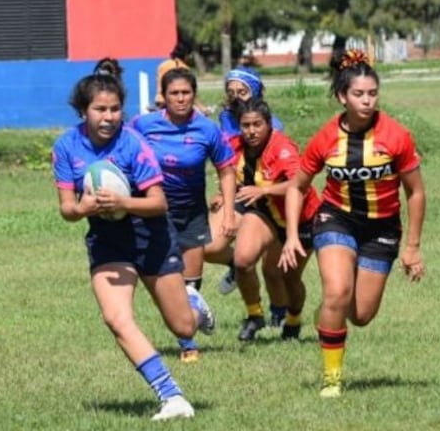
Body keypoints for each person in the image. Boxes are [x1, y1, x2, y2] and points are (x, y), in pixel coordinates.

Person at [51, 57, 215, 422]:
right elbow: (66, 209)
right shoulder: (66, 147)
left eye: (114, 109)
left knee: (184, 327)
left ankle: (192, 302)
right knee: (116, 317)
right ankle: (171, 397)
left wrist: (123, 202)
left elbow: (159, 203)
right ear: (83, 110)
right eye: (100, 110)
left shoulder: (133, 143)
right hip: (108, 240)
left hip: (150, 234)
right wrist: (84, 207)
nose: (109, 117)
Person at [280, 48, 427, 398]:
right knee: (337, 290)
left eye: (372, 93)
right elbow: (296, 188)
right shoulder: (326, 138)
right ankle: (332, 379)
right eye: (359, 94)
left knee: (360, 314)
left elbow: (416, 193)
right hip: (336, 219)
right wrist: (290, 237)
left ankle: (329, 310)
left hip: (382, 228)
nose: (367, 101)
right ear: (342, 96)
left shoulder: (397, 136)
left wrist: (413, 247)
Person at [132, 67, 237, 363]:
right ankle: (188, 342)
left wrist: (229, 214)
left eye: (186, 93)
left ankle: (190, 328)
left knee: (189, 285)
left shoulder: (207, 129)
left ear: (195, 95)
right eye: (174, 94)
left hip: (192, 212)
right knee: (167, 280)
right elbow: (123, 151)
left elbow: (226, 171)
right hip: (154, 212)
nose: (180, 99)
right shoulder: (142, 125)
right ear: (163, 97)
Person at [224, 98, 320, 342]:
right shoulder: (235, 146)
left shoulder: (282, 147)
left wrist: (264, 191)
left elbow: (300, 184)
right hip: (266, 214)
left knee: (288, 276)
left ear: (269, 124)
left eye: (257, 124)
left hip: (302, 219)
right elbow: (226, 174)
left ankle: (294, 319)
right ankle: (254, 315)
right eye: (246, 125)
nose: (252, 131)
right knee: (243, 260)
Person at [214, 66, 288, 329]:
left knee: (273, 270)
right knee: (209, 245)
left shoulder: (274, 129)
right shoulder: (225, 117)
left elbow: (291, 179)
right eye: (231, 92)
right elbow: (230, 160)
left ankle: (282, 315)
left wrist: (265, 190)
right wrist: (224, 192)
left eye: (242, 92)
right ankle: (238, 267)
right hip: (244, 192)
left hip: (274, 199)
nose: (236, 97)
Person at [153, 42, 190, 110]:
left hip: (160, 99)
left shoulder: (163, 65)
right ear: (185, 55)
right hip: (172, 101)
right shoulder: (183, 67)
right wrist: (202, 108)